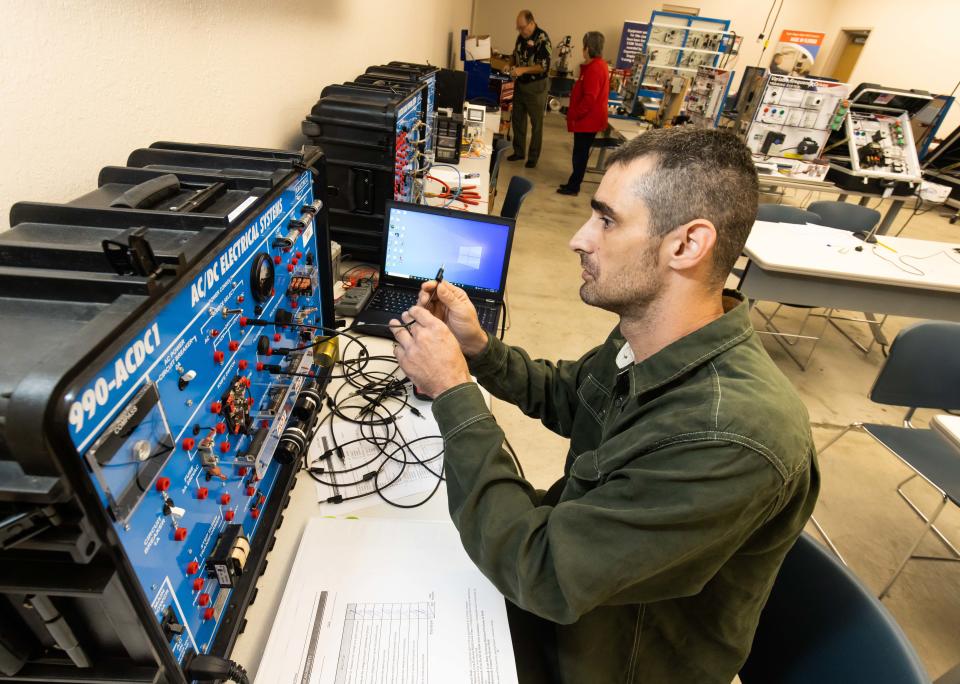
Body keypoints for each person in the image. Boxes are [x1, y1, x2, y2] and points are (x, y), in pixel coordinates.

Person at [389, 127, 818, 683]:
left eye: (607, 219)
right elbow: (573, 397)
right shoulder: (648, 336)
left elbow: (540, 573)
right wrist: (480, 352)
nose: (579, 238)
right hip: (568, 603)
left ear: (686, 245)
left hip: (600, 659)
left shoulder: (729, 436)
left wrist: (452, 391)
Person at [558, 31, 609, 196]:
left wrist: (575, 114)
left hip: (587, 121)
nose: (582, 49)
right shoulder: (596, 66)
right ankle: (573, 182)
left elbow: (589, 99)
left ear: (588, 47)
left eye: (584, 46)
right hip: (588, 120)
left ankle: (573, 186)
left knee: (579, 155)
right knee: (580, 153)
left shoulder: (594, 69)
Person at [509, 9, 551, 168]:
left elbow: (543, 67)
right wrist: (510, 64)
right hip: (520, 85)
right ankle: (519, 152)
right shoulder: (521, 37)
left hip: (536, 87)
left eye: (522, 27)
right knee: (518, 120)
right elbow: (515, 54)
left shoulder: (543, 39)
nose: (520, 31)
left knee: (536, 123)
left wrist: (522, 70)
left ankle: (533, 157)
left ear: (532, 23)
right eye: (518, 28)